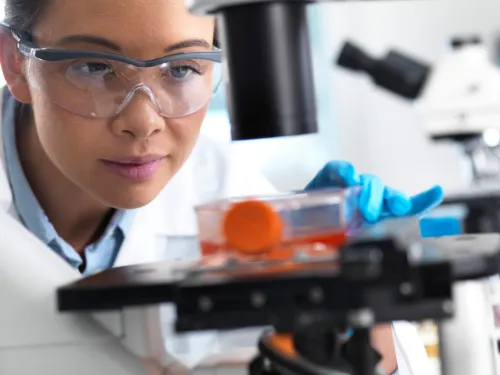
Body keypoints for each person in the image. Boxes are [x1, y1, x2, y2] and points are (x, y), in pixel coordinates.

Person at [0, 0, 443, 374]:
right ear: (16, 64)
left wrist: (361, 297)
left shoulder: (225, 189)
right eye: (94, 67)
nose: (143, 122)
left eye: (180, 70)